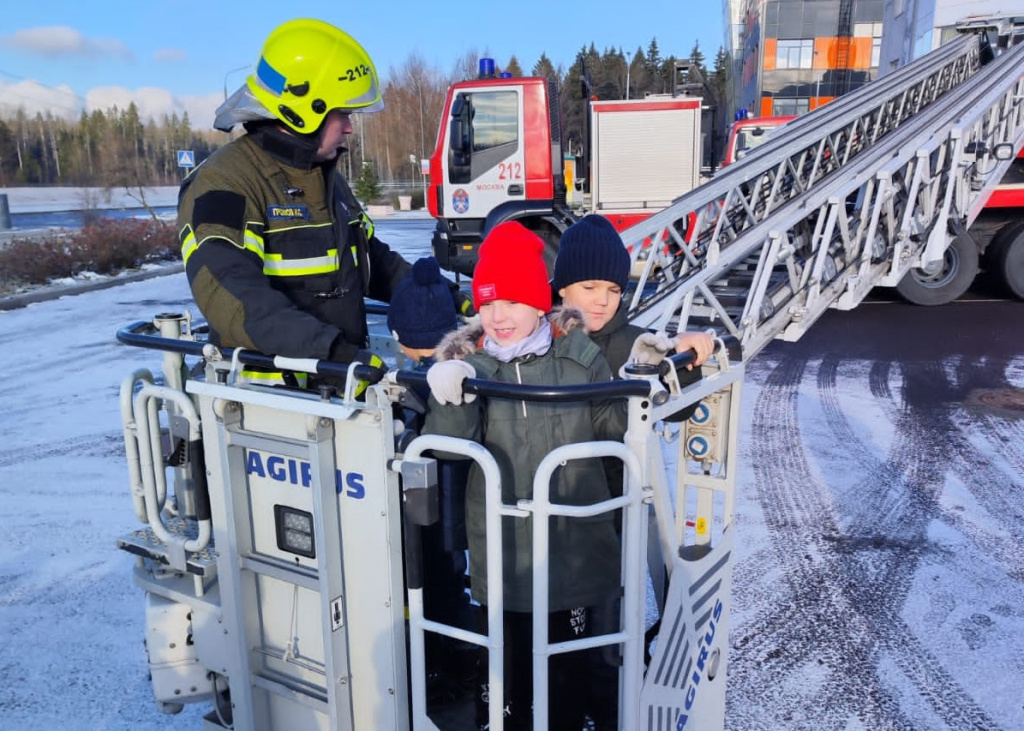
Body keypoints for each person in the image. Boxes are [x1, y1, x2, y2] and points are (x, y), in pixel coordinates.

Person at [422, 221, 672, 730]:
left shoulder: (578, 356)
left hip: (576, 555)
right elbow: (451, 447)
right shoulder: (478, 368)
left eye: (511, 302)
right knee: (508, 684)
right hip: (506, 560)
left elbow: (615, 425)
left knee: (567, 684)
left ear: (539, 302)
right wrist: (448, 392)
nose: (498, 317)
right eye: (487, 304)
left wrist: (642, 381)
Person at [177, 18, 469, 386]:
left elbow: (370, 260)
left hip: (338, 389)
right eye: (342, 114)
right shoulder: (224, 184)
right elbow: (231, 295)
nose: (349, 127)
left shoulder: (323, 174)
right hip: (271, 405)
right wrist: (333, 354)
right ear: (301, 111)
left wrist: (443, 295)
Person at [552, 213, 716, 730]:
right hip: (552, 516)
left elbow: (678, 397)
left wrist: (690, 355)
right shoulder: (544, 336)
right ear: (563, 287)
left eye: (613, 289)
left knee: (607, 635)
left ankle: (612, 713)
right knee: (555, 638)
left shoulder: (636, 343)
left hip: (612, 520)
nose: (601, 300)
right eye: (589, 286)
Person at [387, 257, 477, 701]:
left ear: (399, 338)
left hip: (418, 511)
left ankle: (439, 668)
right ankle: (461, 660)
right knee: (449, 585)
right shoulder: (464, 375)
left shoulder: (404, 384)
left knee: (422, 587)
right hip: (457, 512)